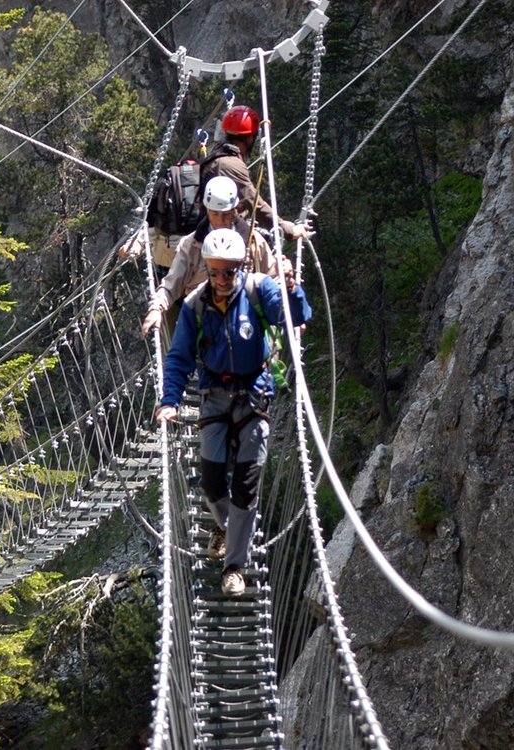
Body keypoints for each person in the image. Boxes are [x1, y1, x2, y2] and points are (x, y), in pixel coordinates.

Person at [154, 229, 312, 596]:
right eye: (215, 272)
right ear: (207, 269)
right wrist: (169, 401)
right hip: (214, 396)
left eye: (229, 271)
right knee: (211, 481)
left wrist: (289, 287)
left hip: (254, 395)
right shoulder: (195, 305)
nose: (222, 279)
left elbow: (295, 317)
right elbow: (178, 357)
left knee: (245, 485)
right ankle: (228, 526)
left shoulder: (259, 290)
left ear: (240, 267)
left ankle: (234, 566)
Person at [141, 176, 278, 340]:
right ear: (206, 210)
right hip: (206, 328)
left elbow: (274, 279)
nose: (220, 220)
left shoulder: (253, 240)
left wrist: (289, 309)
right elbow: (171, 285)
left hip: (248, 326)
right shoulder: (191, 245)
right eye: (215, 214)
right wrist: (156, 308)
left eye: (226, 214)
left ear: (235, 210)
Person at [199, 104, 311, 242]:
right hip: (221, 237)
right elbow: (254, 203)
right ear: (250, 138)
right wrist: (287, 230)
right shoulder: (230, 164)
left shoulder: (218, 156)